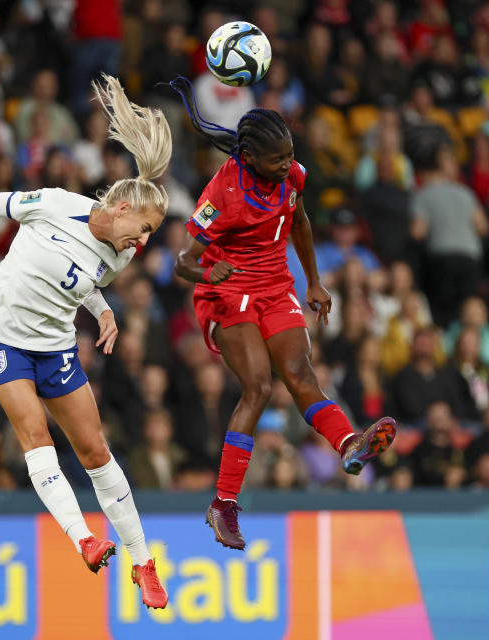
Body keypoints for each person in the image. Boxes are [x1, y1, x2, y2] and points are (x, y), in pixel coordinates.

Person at [0, 75, 170, 609]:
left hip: (55, 346)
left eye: (147, 236)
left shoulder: (121, 255)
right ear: (121, 208)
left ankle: (143, 562)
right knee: (35, 436)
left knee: (96, 450)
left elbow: (84, 281)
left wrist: (103, 312)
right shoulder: (54, 203)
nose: (142, 243)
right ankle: (85, 540)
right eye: (141, 229)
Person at [168, 77, 397, 551]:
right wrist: (209, 275)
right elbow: (183, 261)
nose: (288, 164)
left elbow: (301, 221)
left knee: (300, 372)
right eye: (278, 159)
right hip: (228, 288)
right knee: (258, 386)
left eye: (290, 154)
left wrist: (313, 280)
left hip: (276, 285)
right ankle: (224, 503)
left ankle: (350, 446)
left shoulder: (292, 176)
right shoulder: (222, 193)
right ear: (249, 158)